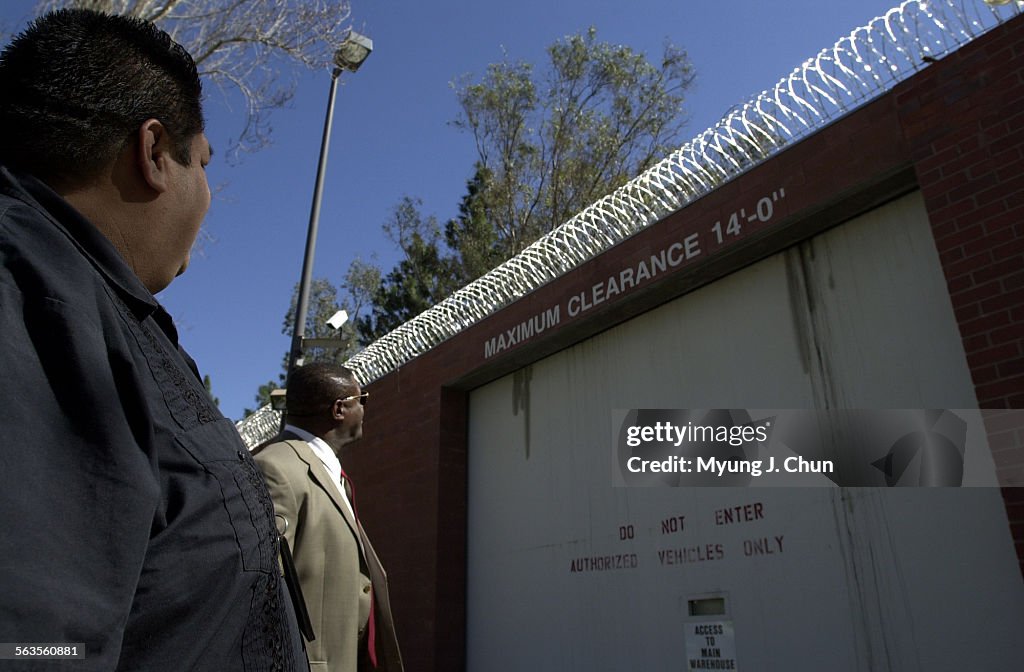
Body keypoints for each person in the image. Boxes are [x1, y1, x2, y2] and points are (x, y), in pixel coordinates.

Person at [0, 9, 307, 671]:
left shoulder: (93, 309)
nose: (206, 192)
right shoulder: (34, 303)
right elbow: (33, 645)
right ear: (154, 153)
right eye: (203, 164)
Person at [253, 363, 404, 672]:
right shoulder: (276, 468)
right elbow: (262, 590)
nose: (364, 408)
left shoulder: (331, 474)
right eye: (362, 399)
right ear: (339, 409)